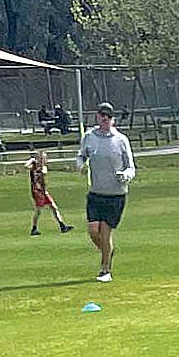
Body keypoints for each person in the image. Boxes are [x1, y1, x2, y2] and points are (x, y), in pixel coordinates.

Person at [75, 101, 134, 281]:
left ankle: (105, 270)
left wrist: (125, 175)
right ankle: (108, 251)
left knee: (106, 232)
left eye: (108, 117)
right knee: (94, 231)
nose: (105, 120)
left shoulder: (121, 140)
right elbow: (81, 155)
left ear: (112, 119)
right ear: (98, 117)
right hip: (96, 192)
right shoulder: (89, 137)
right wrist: (80, 165)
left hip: (115, 195)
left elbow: (131, 167)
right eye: (102, 116)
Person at [27, 149, 69, 235]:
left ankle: (62, 226)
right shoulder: (33, 166)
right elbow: (26, 166)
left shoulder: (43, 168)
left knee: (54, 207)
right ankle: (34, 229)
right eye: (43, 158)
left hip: (43, 191)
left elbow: (44, 173)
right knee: (38, 210)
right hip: (37, 191)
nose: (45, 160)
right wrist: (31, 160)